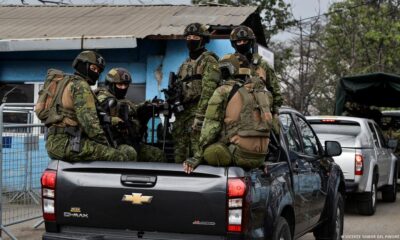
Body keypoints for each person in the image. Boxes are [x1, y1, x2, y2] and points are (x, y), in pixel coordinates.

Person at [183, 54, 273, 174]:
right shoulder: (262, 93)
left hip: (238, 155)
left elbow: (211, 128)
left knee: (211, 151)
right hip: (260, 157)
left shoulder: (223, 91)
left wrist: (197, 157)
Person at [43, 50, 136, 162]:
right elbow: (91, 125)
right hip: (66, 143)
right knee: (119, 156)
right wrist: (107, 144)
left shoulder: (68, 82)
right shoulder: (81, 86)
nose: (96, 73)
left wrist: (111, 120)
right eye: (93, 68)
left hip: (56, 142)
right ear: (82, 64)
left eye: (98, 71)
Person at [171, 22, 220, 163]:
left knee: (197, 151)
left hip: (199, 112)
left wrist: (200, 116)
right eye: (188, 37)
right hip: (182, 113)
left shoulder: (209, 61)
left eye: (195, 37)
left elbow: (208, 92)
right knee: (179, 151)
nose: (191, 39)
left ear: (203, 39)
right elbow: (179, 87)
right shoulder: (184, 65)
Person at [95, 67, 166, 162]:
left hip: (129, 141)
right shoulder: (103, 98)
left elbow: (133, 109)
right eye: (120, 84)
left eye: (126, 85)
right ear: (110, 84)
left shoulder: (123, 100)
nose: (123, 87)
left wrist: (148, 104)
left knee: (158, 154)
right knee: (130, 153)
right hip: (112, 144)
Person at [230, 26, 282, 134]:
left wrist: (273, 113)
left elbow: (276, 92)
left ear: (251, 42)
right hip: (234, 117)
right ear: (234, 44)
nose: (242, 43)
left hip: (259, 117)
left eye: (245, 41)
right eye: (239, 41)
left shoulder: (262, 64)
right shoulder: (228, 64)